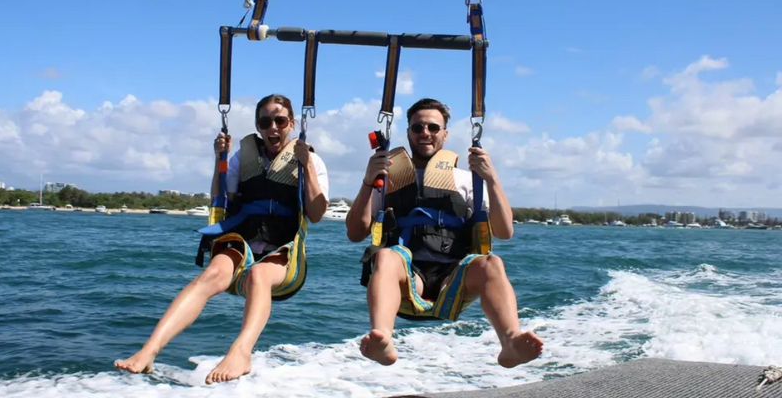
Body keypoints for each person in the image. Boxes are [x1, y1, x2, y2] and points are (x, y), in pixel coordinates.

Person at [114, 93, 330, 384]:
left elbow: (316, 213)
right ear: (258, 125)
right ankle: (149, 351)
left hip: (284, 251)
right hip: (243, 239)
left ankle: (241, 352)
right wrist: (220, 159)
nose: (273, 128)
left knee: (258, 276)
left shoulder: (311, 159)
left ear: (291, 123)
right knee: (209, 275)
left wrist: (306, 166)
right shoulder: (244, 156)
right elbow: (222, 199)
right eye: (265, 122)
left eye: (280, 121)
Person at [345, 98, 543, 368]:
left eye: (433, 127)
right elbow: (355, 233)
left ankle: (510, 342)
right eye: (417, 128)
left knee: (492, 263)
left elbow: (504, 232)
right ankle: (383, 339)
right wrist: (369, 181)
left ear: (445, 133)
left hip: (454, 277)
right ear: (408, 132)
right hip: (408, 275)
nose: (425, 133)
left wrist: (491, 179)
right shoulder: (387, 177)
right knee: (386, 257)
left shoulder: (466, 180)